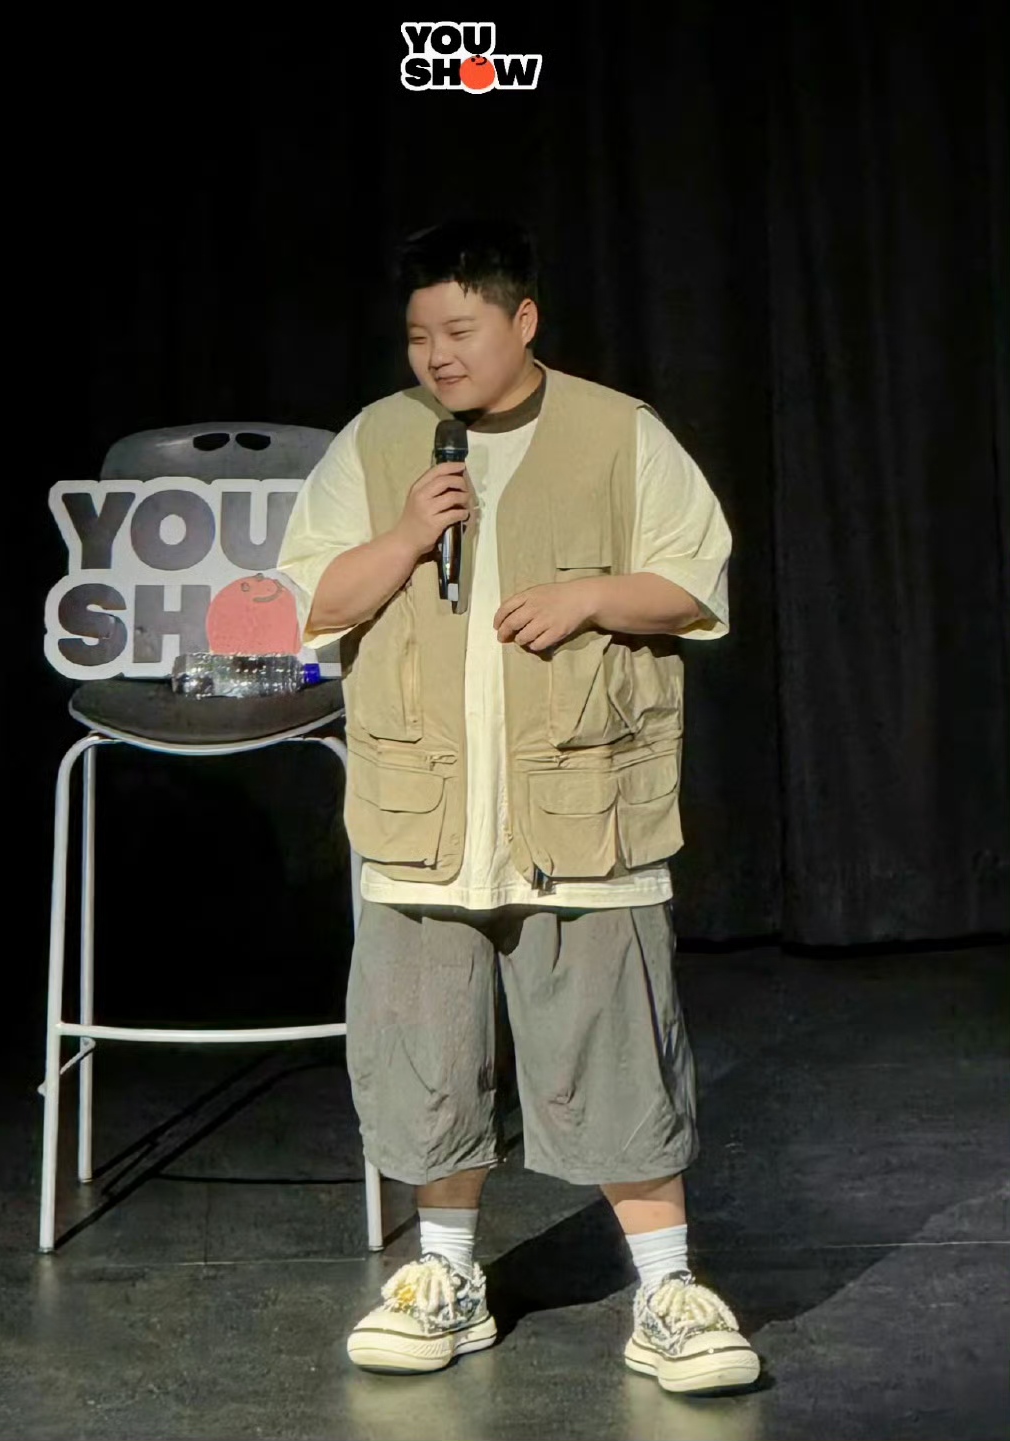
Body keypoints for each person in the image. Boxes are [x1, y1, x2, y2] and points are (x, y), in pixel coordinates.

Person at [278, 217, 760, 1395]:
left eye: (459, 330)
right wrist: (409, 533)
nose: (437, 355)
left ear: (522, 320)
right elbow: (309, 601)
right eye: (418, 336)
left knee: (617, 1050)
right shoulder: (379, 441)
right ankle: (444, 1276)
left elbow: (694, 580)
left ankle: (668, 1293)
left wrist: (592, 596)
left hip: (580, 810)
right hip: (424, 819)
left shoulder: (618, 431)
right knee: (427, 1058)